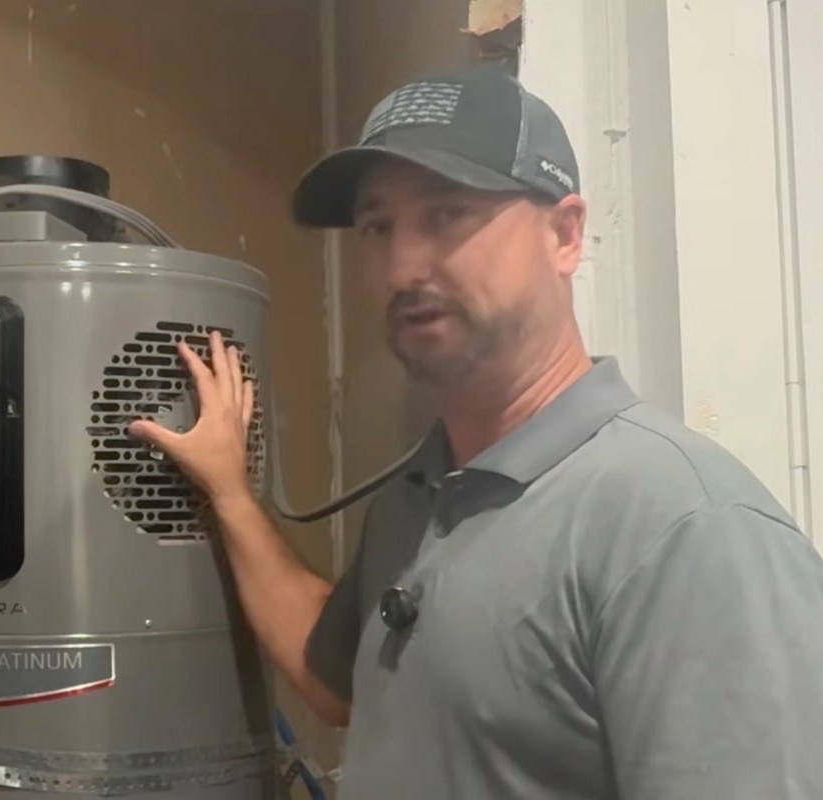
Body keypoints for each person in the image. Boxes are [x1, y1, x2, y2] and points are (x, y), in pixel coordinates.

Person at [128, 62, 823, 799]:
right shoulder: (421, 496)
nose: (402, 265)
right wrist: (231, 494)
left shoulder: (687, 533)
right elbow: (338, 682)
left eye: (446, 213)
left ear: (565, 233)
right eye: (377, 227)